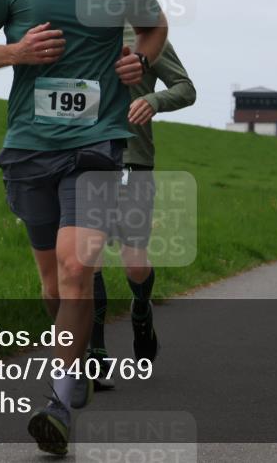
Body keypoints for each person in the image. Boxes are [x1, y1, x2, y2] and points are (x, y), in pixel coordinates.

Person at [0, 0, 168, 456]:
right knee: (54, 286)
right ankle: (73, 364)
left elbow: (154, 27)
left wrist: (140, 60)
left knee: (78, 268)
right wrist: (16, 52)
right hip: (29, 146)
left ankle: (59, 400)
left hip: (97, 142)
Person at [90, 26, 196, 390]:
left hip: (132, 161)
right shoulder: (72, 31)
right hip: (83, 159)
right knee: (88, 256)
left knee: (134, 263)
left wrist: (154, 101)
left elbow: (185, 88)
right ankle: (96, 355)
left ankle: (141, 310)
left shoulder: (147, 38)